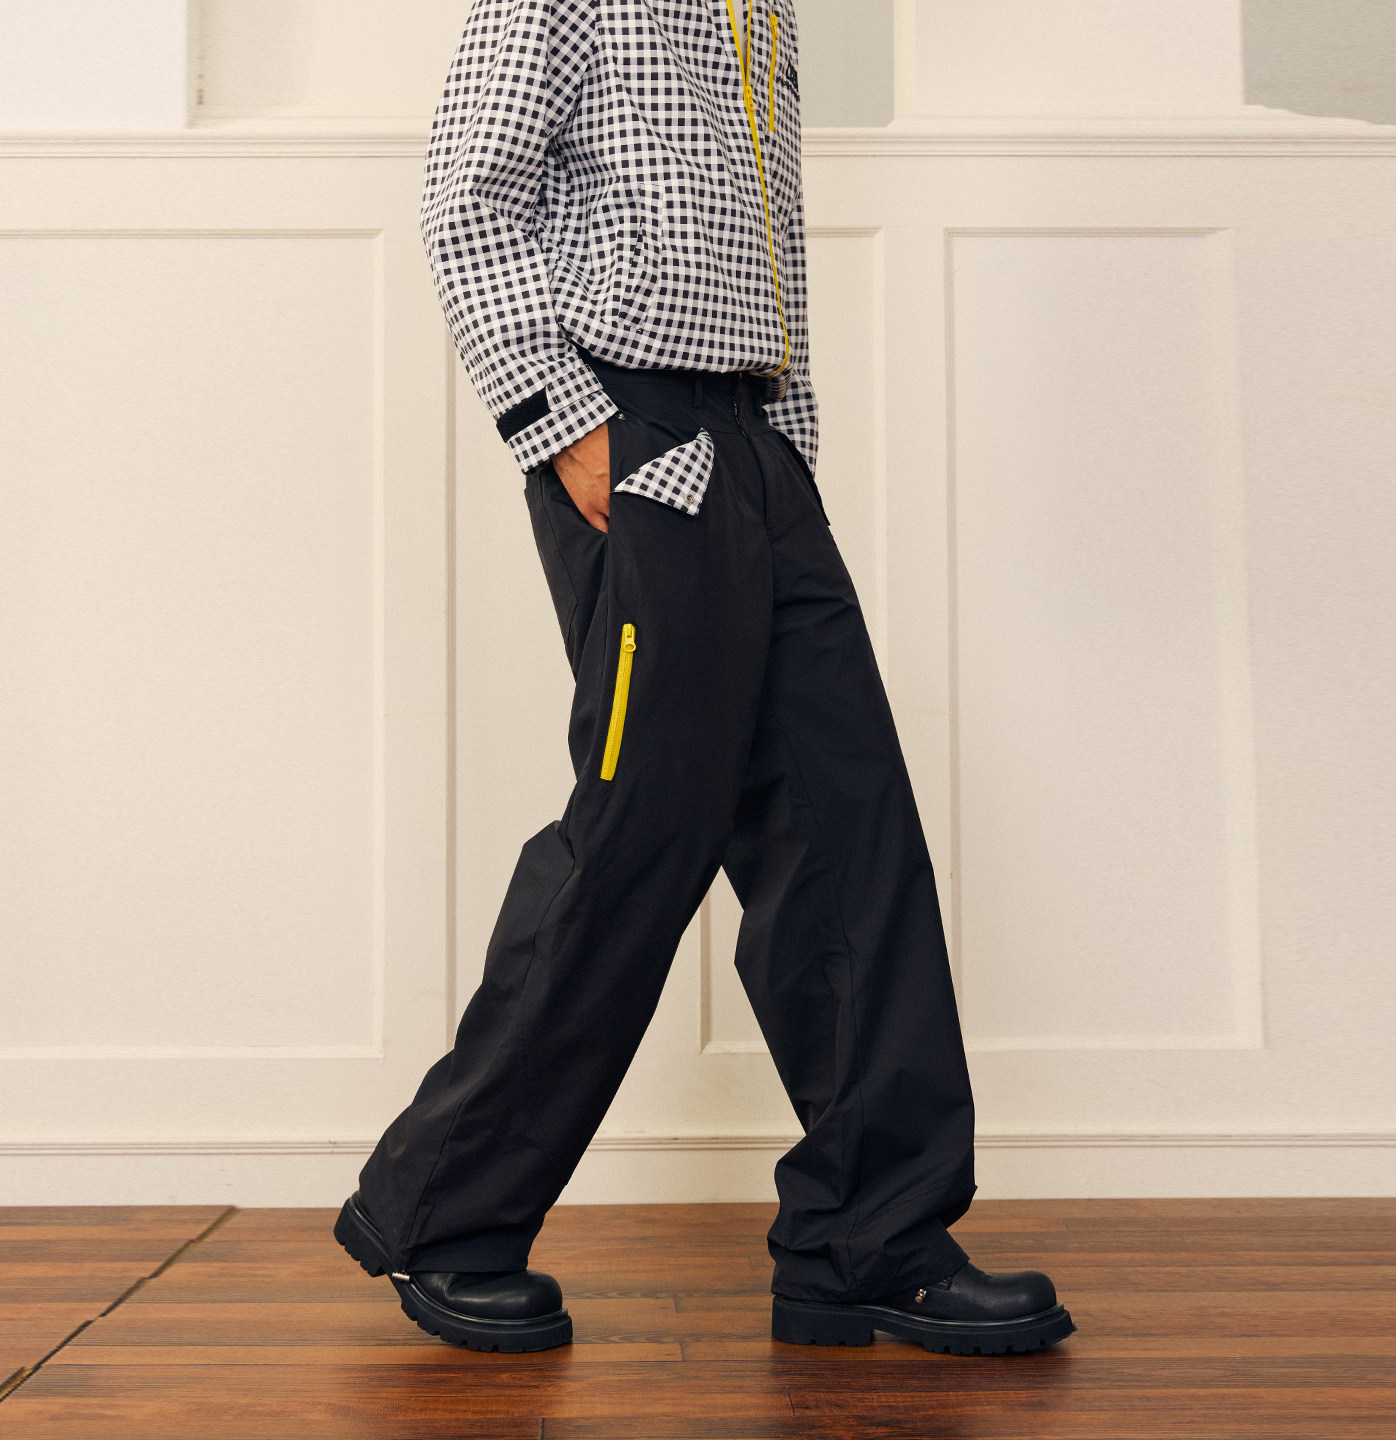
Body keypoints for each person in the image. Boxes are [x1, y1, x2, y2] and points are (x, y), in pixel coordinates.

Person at [334, 0, 1073, 1358]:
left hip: (752, 443)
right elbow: (467, 195)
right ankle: (444, 1213)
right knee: (641, 829)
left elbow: (770, 241)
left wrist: (789, 445)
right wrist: (561, 422)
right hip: (631, 432)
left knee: (848, 829)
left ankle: (873, 1237)